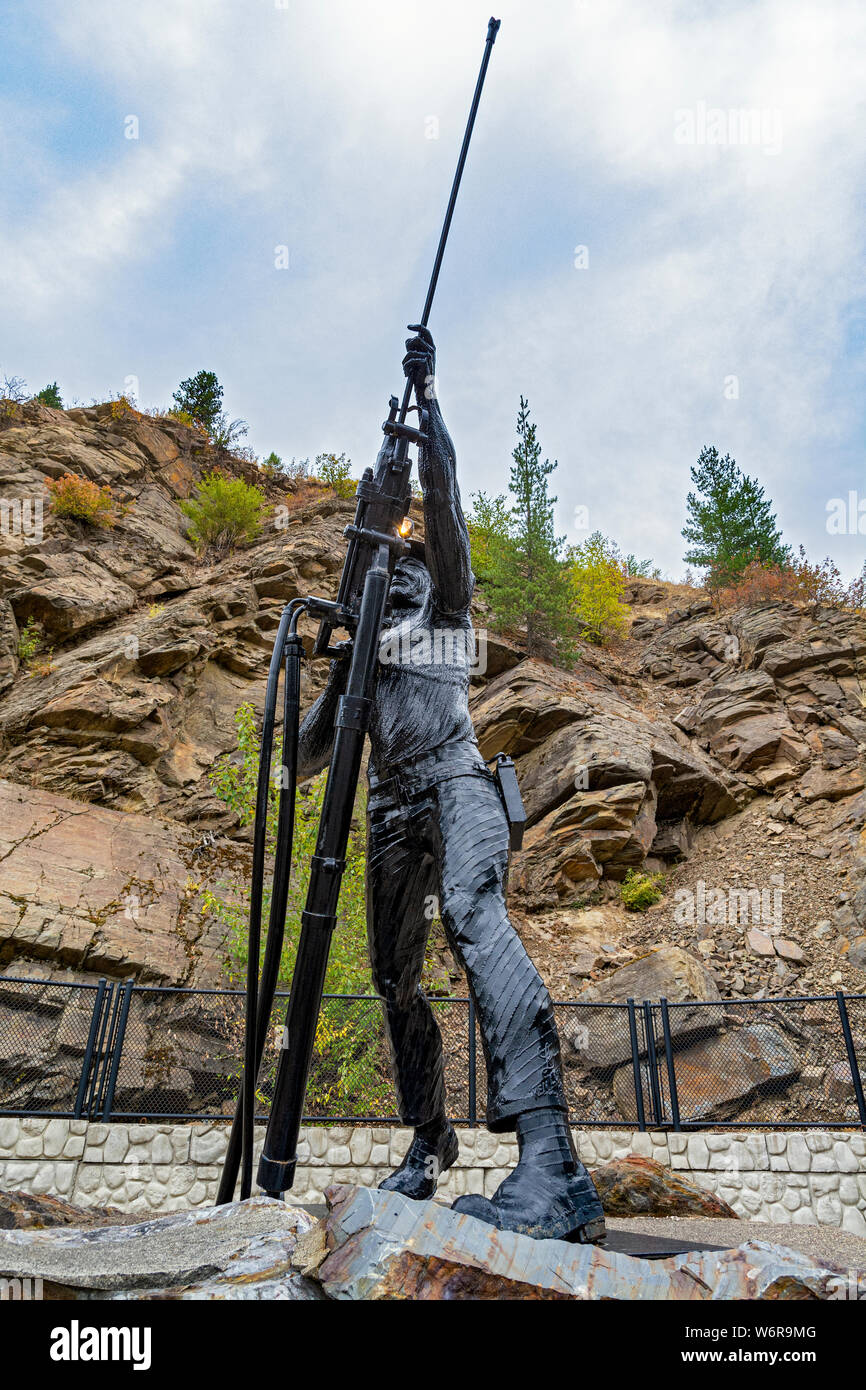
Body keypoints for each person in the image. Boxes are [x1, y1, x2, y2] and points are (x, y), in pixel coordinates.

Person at [294, 325, 605, 1243]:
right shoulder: (363, 662)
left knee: (473, 911)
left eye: (404, 574)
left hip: (458, 784)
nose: (392, 583)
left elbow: (450, 524)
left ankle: (551, 1160)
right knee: (395, 974)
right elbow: (302, 761)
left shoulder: (440, 615)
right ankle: (430, 1141)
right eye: (379, 582)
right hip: (390, 809)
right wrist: (331, 673)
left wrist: (426, 417)